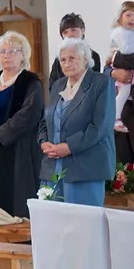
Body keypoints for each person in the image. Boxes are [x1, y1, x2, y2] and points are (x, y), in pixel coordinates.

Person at [39, 38, 115, 206]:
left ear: (85, 59)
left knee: (83, 221)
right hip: (53, 168)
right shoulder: (58, 85)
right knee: (53, 219)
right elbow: (45, 120)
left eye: (72, 58)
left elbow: (101, 126)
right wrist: (43, 142)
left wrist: (68, 147)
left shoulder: (101, 82)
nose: (67, 64)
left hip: (86, 169)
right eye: (63, 60)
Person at [0, 31, 43, 218]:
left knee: (17, 203)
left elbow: (28, 115)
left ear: (23, 54)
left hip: (18, 149)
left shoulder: (30, 81)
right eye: (2, 51)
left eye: (13, 51)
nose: (7, 55)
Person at [48, 13, 102, 91]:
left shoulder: (93, 56)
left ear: (83, 31)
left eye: (73, 30)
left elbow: (95, 85)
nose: (69, 35)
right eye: (65, 32)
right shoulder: (58, 58)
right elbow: (52, 85)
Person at [109, 1, 134, 133]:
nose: (132, 19)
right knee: (123, 92)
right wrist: (113, 71)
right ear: (120, 18)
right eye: (129, 15)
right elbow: (124, 52)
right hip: (128, 108)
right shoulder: (119, 32)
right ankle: (115, 117)